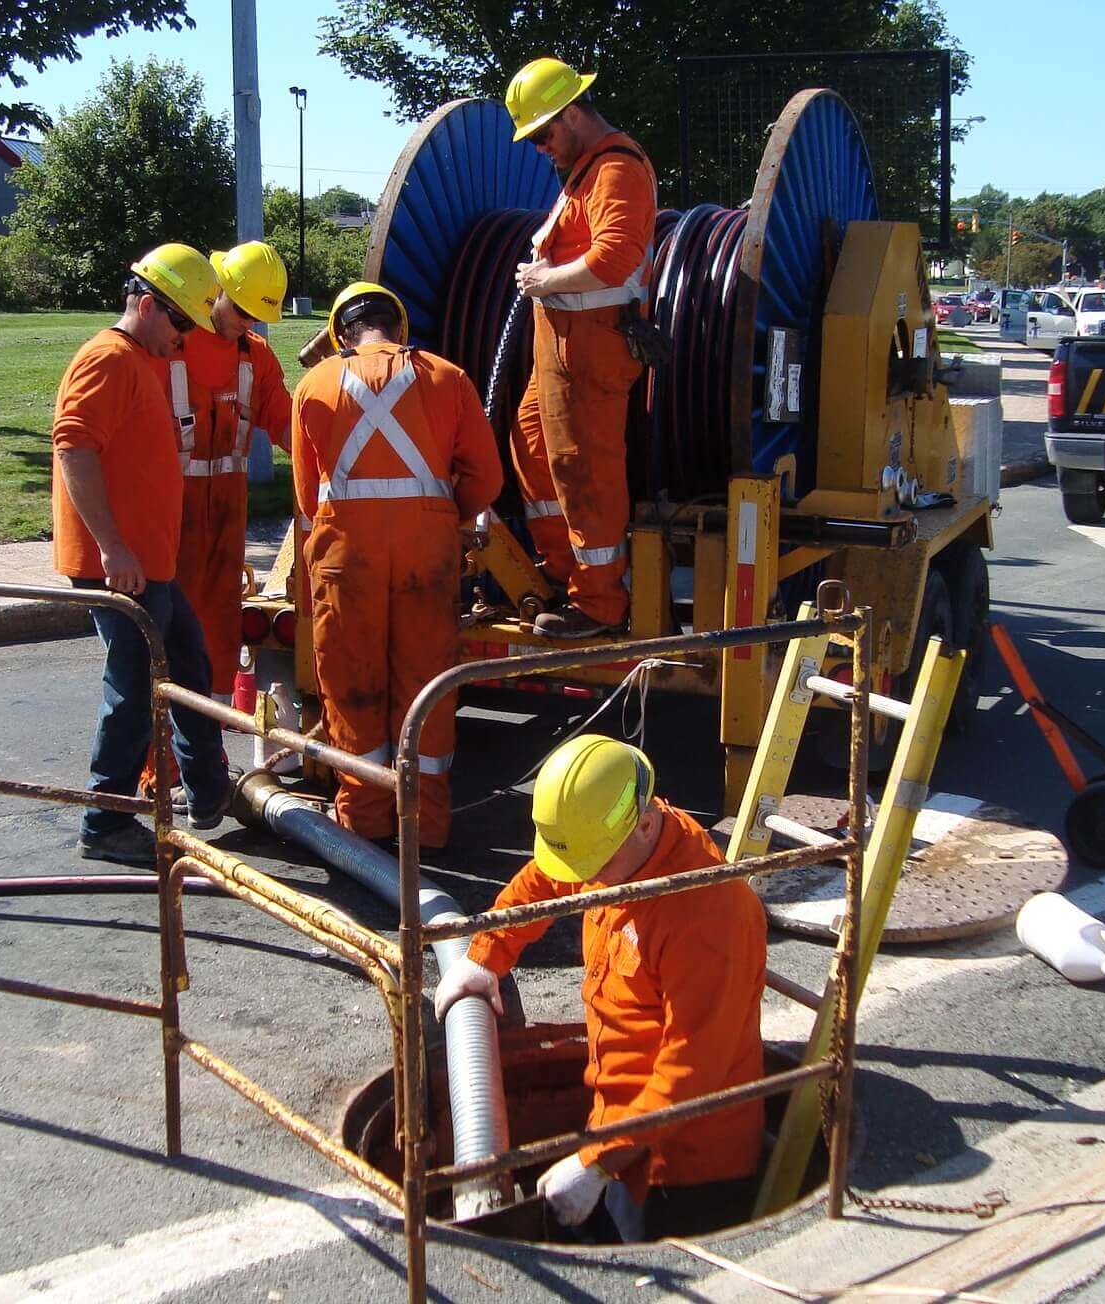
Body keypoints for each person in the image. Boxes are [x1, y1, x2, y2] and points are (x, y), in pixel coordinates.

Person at [433, 736, 767, 1240]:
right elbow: (544, 880)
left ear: (647, 825)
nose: (583, 881)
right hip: (618, 1131)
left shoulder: (705, 916)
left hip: (685, 1169)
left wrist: (597, 1163)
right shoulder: (614, 848)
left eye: (592, 869)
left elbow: (692, 1070)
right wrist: (486, 956)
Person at [290, 282, 503, 847]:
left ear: (340, 333)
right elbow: (487, 479)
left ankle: (363, 824)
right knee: (426, 687)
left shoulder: (314, 383)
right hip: (425, 558)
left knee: (352, 688)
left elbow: (307, 496)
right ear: (399, 328)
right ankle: (425, 827)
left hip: (344, 560)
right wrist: (436, 516)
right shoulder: (448, 377)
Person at [51, 243, 234, 867]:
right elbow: (73, 449)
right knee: (133, 690)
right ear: (147, 304)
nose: (185, 339)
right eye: (180, 323)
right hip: (123, 566)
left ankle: (208, 792)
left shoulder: (140, 359)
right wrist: (113, 548)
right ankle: (106, 823)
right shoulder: (107, 358)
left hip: (148, 563)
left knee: (188, 663)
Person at [504, 56, 658, 639]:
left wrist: (546, 281)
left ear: (572, 114)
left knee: (583, 470)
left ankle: (598, 603)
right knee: (533, 446)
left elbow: (616, 256)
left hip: (591, 355)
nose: (541, 148)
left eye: (543, 134)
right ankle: (566, 577)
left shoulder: (616, 169)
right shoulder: (585, 172)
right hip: (562, 354)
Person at [171, 241, 294, 700]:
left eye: (254, 316)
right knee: (163, 638)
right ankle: (155, 763)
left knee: (220, 630)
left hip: (224, 524)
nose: (246, 321)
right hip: (169, 523)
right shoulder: (170, 346)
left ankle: (210, 744)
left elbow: (287, 425)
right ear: (215, 289)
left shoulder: (256, 357)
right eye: (240, 309)